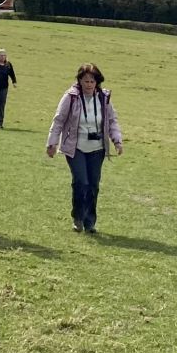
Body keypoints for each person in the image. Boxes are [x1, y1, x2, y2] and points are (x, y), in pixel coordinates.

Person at [45, 62, 123, 233]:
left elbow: (111, 121)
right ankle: (78, 217)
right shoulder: (71, 97)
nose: (89, 84)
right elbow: (58, 120)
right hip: (76, 148)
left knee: (93, 185)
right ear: (79, 80)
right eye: (86, 81)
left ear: (97, 82)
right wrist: (52, 143)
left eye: (92, 81)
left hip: (97, 148)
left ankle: (90, 222)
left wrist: (117, 140)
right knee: (81, 182)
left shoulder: (104, 98)